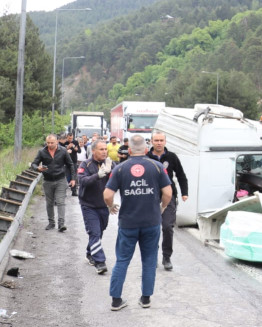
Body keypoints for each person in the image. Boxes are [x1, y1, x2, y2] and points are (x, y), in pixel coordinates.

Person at [104, 135, 172, 311]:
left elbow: (107, 195)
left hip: (128, 222)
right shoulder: (157, 167)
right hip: (151, 222)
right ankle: (145, 298)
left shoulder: (119, 169)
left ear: (130, 150)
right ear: (146, 148)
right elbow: (168, 193)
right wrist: (162, 207)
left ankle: (116, 301)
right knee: (149, 261)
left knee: (122, 260)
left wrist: (111, 207)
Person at [147, 131, 188, 271]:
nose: (159, 143)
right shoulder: (146, 157)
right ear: (151, 141)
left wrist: (184, 193)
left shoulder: (172, 157)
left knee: (167, 227)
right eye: (156, 140)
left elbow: (181, 175)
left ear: (165, 142)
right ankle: (152, 256)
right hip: (150, 197)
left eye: (161, 140)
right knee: (151, 229)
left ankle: (166, 257)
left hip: (169, 196)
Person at [77, 140, 115, 274]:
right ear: (93, 151)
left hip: (103, 205)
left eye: (105, 149)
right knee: (95, 232)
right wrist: (97, 175)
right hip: (89, 205)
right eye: (101, 149)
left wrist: (112, 172)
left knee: (100, 231)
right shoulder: (85, 164)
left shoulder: (110, 163)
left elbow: (117, 182)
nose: (104, 151)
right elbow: (82, 181)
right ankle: (100, 262)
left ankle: (90, 252)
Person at [31, 134, 76, 231]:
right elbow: (33, 164)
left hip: (60, 180)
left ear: (57, 142)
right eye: (48, 143)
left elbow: (70, 165)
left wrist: (73, 179)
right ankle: (51, 223)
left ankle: (61, 224)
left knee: (60, 202)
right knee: (49, 203)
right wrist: (37, 168)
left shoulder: (63, 150)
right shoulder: (42, 152)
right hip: (48, 180)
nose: (50, 144)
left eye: (52, 142)